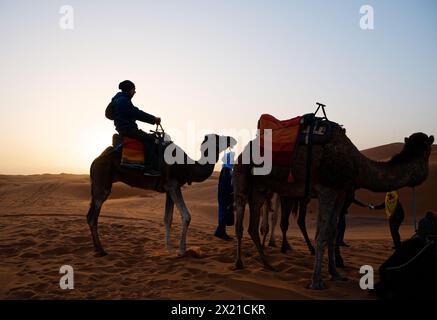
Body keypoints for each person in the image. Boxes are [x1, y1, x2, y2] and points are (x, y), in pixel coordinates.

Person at [108, 80, 161, 176]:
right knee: (151, 140)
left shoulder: (118, 100)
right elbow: (137, 113)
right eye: (133, 90)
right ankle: (148, 169)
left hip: (123, 128)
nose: (134, 92)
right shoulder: (123, 100)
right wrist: (153, 119)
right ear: (129, 90)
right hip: (128, 129)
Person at [214, 150, 235, 240]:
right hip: (225, 196)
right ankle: (220, 233)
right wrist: (229, 197)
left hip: (224, 196)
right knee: (224, 215)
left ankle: (222, 233)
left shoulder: (226, 170)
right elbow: (225, 186)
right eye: (232, 158)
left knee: (224, 215)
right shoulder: (226, 171)